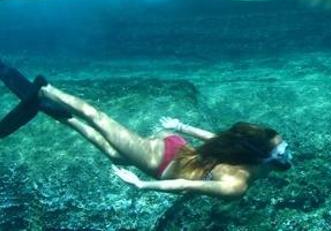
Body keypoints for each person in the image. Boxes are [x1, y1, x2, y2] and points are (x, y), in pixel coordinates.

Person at [0, 60, 291, 198]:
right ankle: (47, 90)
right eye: (283, 147)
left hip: (175, 149)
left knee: (114, 154)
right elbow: (184, 184)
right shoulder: (236, 186)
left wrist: (180, 127)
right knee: (99, 118)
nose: (287, 150)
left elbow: (221, 140)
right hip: (159, 160)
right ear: (268, 157)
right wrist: (142, 185)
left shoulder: (252, 160)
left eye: (282, 147)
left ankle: (59, 114)